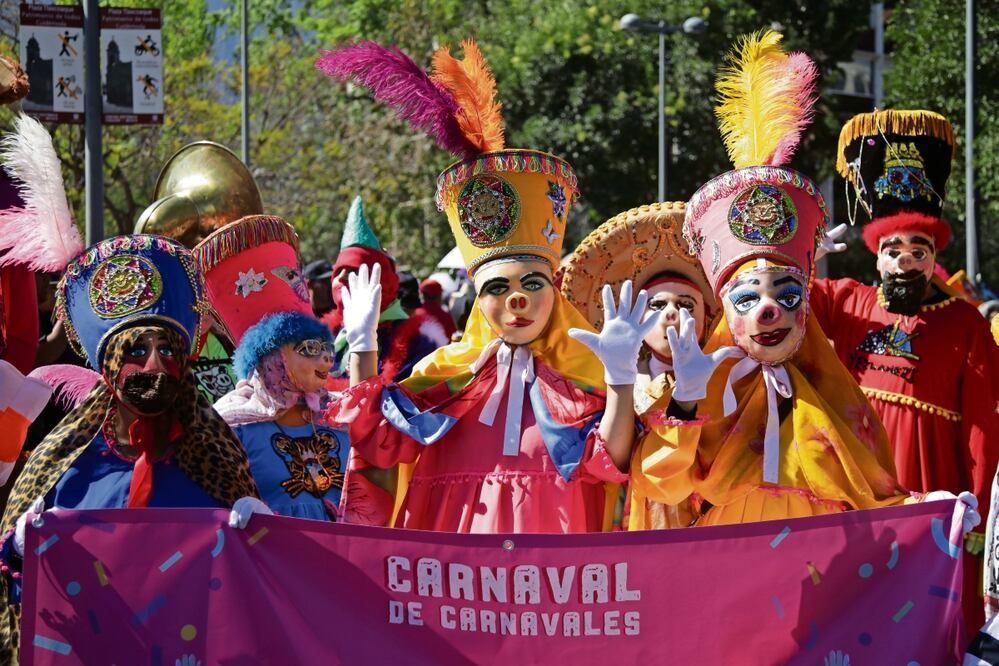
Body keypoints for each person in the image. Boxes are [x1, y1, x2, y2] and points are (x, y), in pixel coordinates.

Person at [630, 31, 978, 530]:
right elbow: (659, 486)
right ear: (725, 309)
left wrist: (935, 509)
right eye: (747, 298)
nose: (767, 310)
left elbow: (876, 497)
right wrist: (685, 399)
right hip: (726, 565)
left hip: (813, 578)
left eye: (787, 295)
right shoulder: (704, 387)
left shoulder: (830, 396)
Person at [318, 39, 656, 533]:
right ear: (478, 299)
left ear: (554, 290)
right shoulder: (444, 376)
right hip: (455, 591)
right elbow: (377, 442)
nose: (516, 299)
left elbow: (609, 464)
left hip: (552, 585)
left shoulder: (584, 375)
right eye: (497, 287)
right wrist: (363, 344)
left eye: (532, 282)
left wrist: (621, 381)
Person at [0, 235, 265, 662]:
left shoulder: (218, 458)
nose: (155, 366)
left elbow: (255, 598)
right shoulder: (60, 462)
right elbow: (17, 599)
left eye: (167, 350)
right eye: (137, 351)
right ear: (109, 366)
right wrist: (17, 547)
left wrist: (266, 539)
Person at [811, 109, 999, 630]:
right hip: (858, 479)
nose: (906, 260)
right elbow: (775, 302)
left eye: (919, 250)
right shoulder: (844, 300)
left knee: (928, 616)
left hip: (934, 481)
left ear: (934, 257)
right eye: (894, 250)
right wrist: (804, 253)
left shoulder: (963, 322)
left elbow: (983, 422)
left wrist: (979, 508)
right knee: (856, 609)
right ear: (877, 259)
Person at [194, 215, 358, 522]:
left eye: (322, 347)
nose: (324, 359)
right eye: (307, 349)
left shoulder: (340, 416)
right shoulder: (228, 427)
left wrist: (365, 347)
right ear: (272, 361)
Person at [562, 201, 714, 530]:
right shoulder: (617, 382)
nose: (672, 314)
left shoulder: (730, 379)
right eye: (657, 305)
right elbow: (608, 463)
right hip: (630, 527)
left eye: (686, 304)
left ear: (708, 317)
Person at [323, 196, 447, 389]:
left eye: (354, 271)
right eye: (338, 272)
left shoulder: (419, 341)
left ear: (382, 281)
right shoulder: (322, 336)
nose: (342, 278)